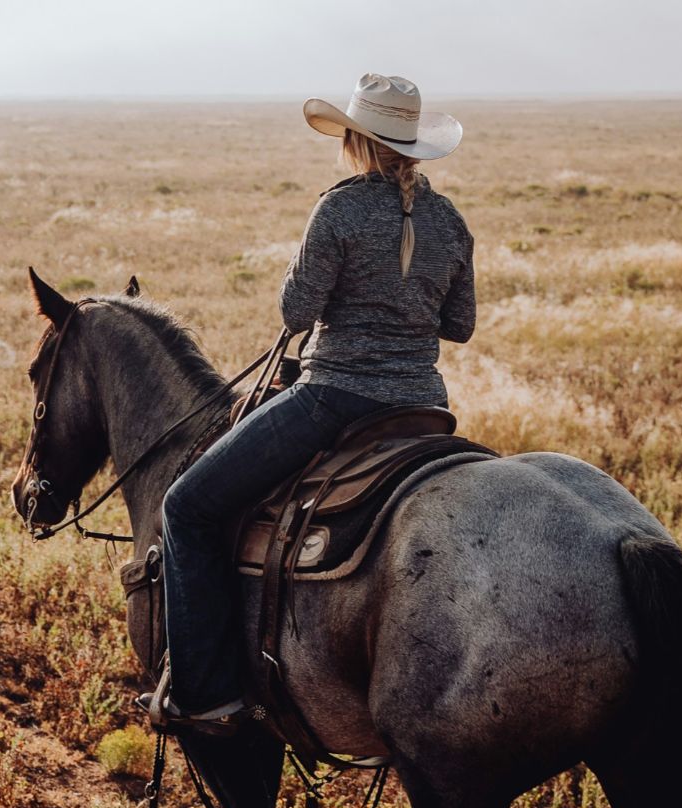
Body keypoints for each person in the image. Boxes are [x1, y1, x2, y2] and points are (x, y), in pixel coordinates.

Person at [147, 73, 478, 733]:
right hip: (425, 407)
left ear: (356, 139)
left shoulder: (340, 209)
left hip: (336, 396)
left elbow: (297, 312)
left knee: (186, 507)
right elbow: (460, 324)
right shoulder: (449, 220)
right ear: (410, 145)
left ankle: (205, 695)